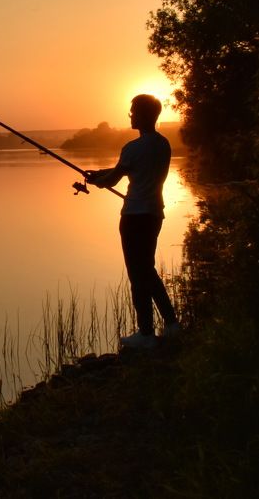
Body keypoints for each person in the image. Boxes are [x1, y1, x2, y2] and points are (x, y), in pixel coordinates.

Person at [86, 94, 180, 349]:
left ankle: (146, 334)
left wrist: (98, 180)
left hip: (134, 217)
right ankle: (172, 324)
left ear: (143, 114)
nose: (130, 115)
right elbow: (127, 170)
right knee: (147, 270)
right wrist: (101, 173)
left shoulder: (132, 148)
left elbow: (113, 179)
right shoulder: (163, 144)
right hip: (154, 214)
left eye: (133, 111)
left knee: (137, 275)